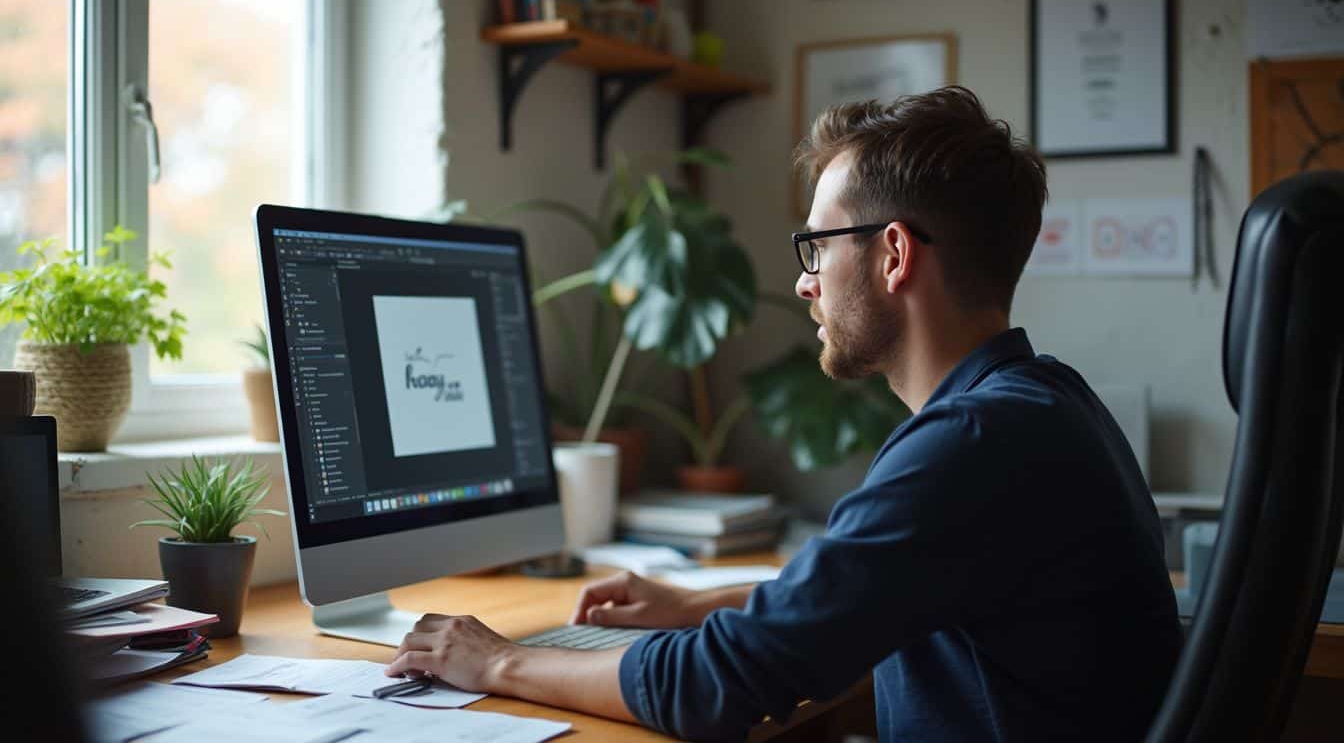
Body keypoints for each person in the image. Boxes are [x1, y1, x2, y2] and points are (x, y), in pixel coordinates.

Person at [386, 86, 1183, 741]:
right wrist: (695, 604)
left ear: (894, 254)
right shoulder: (1047, 399)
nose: (806, 282)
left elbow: (721, 684)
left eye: (819, 247)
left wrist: (496, 662)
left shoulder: (969, 442)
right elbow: (865, 591)